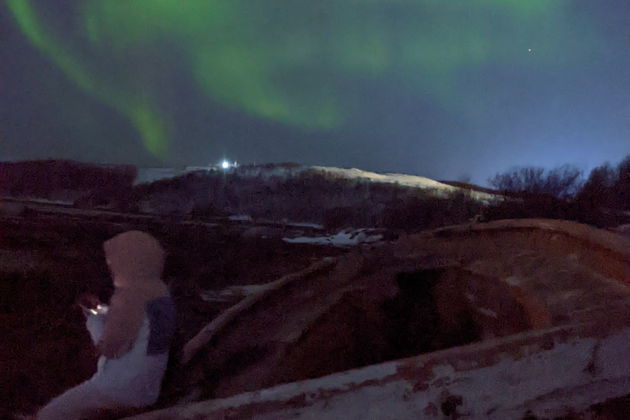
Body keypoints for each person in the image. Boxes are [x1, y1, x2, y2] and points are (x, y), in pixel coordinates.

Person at [37, 231, 177, 420]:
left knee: (48, 415)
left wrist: (91, 316)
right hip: (147, 392)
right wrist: (99, 309)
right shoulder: (161, 300)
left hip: (118, 389)